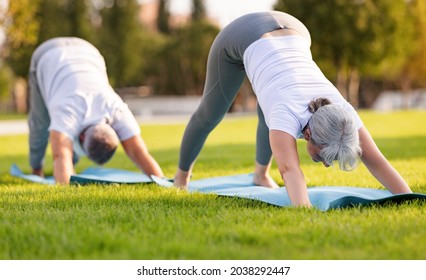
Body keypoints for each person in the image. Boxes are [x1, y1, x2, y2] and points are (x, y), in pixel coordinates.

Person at [173, 11, 412, 207]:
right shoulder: (285, 112)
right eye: (323, 156)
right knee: (210, 114)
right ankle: (181, 179)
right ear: (307, 135)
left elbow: (377, 161)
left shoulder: (343, 115)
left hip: (295, 29)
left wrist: (410, 199)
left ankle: (260, 175)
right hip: (241, 34)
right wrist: (305, 211)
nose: (327, 165)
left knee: (270, 103)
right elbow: (289, 169)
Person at [28, 37, 164, 184]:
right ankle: (37, 169)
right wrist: (67, 195)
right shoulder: (67, 112)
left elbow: (139, 153)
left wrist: (163, 182)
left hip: (89, 52)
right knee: (40, 124)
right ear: (81, 138)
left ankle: (67, 167)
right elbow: (60, 155)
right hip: (47, 55)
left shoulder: (117, 111)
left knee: (64, 143)